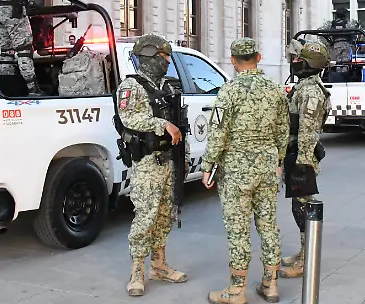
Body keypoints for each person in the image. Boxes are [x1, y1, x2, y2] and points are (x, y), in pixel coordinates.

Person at [201, 38, 289, 304]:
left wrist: (208, 166)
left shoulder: (228, 92)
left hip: (237, 170)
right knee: (269, 226)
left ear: (233, 61)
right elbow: (283, 132)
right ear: (259, 57)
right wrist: (278, 159)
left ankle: (236, 291)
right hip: (267, 166)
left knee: (238, 230)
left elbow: (218, 133)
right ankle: (271, 284)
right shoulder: (275, 90)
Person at [116, 34, 190, 297]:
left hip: (170, 160)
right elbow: (129, 116)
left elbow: (181, 125)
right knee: (145, 217)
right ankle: (137, 271)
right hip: (148, 162)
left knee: (164, 216)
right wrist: (162, 125)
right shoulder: (131, 87)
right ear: (148, 57)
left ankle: (159, 264)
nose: (168, 62)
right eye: (164, 57)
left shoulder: (169, 87)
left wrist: (185, 156)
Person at [279, 39, 330, 280]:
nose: (295, 63)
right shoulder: (305, 86)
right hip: (299, 151)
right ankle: (303, 252)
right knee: (300, 204)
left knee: (303, 207)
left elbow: (308, 130)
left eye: (299, 60)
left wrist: (302, 162)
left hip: (303, 155)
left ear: (309, 65)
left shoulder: (310, 91)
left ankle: (306, 258)